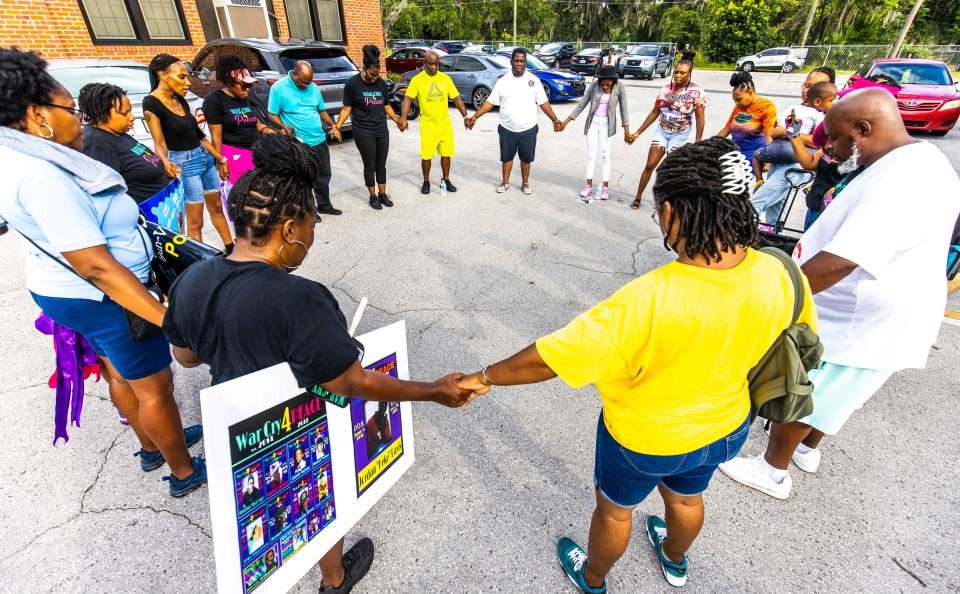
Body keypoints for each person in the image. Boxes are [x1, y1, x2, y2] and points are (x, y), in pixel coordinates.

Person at [456, 137, 817, 591]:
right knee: (687, 500)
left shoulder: (648, 300)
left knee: (613, 510)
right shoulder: (782, 271)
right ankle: (674, 559)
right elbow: (802, 337)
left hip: (645, 439)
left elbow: (551, 359)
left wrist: (482, 376)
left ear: (674, 213)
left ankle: (593, 577)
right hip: (727, 428)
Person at [162, 134, 473, 593]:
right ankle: (334, 578)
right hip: (296, 425)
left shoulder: (190, 279)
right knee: (317, 500)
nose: (310, 239)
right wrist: (434, 390)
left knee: (269, 517)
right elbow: (348, 381)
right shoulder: (301, 299)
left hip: (241, 432)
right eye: (310, 228)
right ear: (289, 230)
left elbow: (185, 358)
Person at [719, 88, 960, 500]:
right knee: (842, 390)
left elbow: (841, 261)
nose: (828, 147)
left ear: (864, 129)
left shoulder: (901, 179)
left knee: (809, 389)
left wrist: (772, 295)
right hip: (884, 309)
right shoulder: (920, 159)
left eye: (834, 137)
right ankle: (807, 451)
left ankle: (772, 469)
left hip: (859, 313)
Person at [0, 47, 205, 497]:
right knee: (155, 386)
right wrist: (165, 318)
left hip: (64, 293)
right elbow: (94, 264)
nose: (77, 119)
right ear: (38, 116)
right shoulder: (43, 175)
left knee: (119, 373)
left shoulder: (14, 156)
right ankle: (184, 471)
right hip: (104, 296)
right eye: (69, 110)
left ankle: (152, 445)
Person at [143, 53, 234, 252]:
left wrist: (219, 158)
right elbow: (159, 143)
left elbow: (199, 135)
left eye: (187, 77)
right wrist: (165, 161)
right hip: (184, 164)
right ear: (163, 75)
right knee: (195, 221)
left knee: (217, 208)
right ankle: (202, 261)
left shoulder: (180, 99)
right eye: (181, 77)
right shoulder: (151, 104)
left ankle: (231, 249)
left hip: (205, 158)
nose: (188, 83)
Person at [466, 48, 563, 194]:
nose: (519, 63)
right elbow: (490, 102)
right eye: (516, 60)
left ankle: (525, 183)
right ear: (511, 61)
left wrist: (554, 119)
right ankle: (505, 183)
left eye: (522, 61)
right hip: (507, 128)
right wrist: (475, 117)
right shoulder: (503, 81)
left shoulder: (534, 80)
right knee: (506, 158)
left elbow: (543, 103)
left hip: (528, 129)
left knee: (526, 159)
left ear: (525, 62)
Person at [625, 52, 706, 209]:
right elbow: (655, 112)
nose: (678, 75)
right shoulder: (665, 89)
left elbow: (700, 118)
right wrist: (637, 132)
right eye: (676, 72)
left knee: (671, 170)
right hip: (662, 132)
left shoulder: (697, 92)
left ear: (690, 73)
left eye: (682, 73)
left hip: (680, 136)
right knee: (650, 164)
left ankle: (666, 202)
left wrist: (698, 141)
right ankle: (638, 197)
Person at [750, 79, 837, 224]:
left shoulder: (823, 117)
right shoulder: (794, 109)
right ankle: (770, 240)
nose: (805, 90)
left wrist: (790, 133)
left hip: (795, 167)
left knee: (754, 205)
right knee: (775, 215)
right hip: (778, 162)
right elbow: (774, 132)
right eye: (806, 85)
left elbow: (818, 141)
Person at [267, 59, 342, 218]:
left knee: (323, 174)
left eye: (309, 82)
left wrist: (332, 125)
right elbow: (272, 114)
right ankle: (309, 211)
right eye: (303, 82)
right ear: (294, 74)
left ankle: (324, 205)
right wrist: (284, 127)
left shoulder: (313, 87)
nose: (306, 86)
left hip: (319, 139)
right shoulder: (278, 88)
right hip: (298, 142)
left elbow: (321, 110)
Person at [333, 45, 401, 211]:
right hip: (363, 131)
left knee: (381, 164)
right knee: (369, 165)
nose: (373, 79)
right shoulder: (353, 84)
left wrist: (397, 120)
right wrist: (337, 127)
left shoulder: (381, 84)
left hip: (381, 130)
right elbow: (346, 109)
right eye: (371, 75)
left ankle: (382, 194)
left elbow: (386, 106)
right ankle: (372, 196)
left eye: (376, 76)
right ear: (364, 69)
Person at [78, 83, 171, 202]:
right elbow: (106, 194)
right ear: (101, 112)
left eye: (130, 112)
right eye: (124, 113)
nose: (132, 117)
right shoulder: (96, 143)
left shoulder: (117, 132)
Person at [399, 50, 469, 195]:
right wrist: (403, 118)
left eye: (436, 64)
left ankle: (446, 179)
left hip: (444, 124)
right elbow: (407, 99)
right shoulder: (417, 80)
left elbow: (457, 98)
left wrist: (465, 117)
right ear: (424, 63)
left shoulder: (445, 79)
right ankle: (426, 181)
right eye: (430, 64)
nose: (433, 67)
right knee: (426, 156)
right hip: (428, 125)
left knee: (446, 154)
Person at [557, 64, 631, 203]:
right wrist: (565, 123)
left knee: (605, 156)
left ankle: (605, 188)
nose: (604, 86)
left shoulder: (619, 87)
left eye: (607, 83)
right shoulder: (595, 85)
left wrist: (627, 131)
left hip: (607, 126)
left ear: (613, 80)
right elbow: (582, 104)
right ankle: (588, 186)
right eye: (602, 83)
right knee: (591, 155)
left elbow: (624, 109)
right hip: (593, 124)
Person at [204, 55, 276, 184]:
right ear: (228, 81)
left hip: (255, 152)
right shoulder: (215, 100)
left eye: (249, 85)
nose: (247, 89)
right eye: (243, 85)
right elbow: (216, 137)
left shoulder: (245, 99)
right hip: (234, 154)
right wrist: (220, 163)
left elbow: (254, 123)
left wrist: (270, 131)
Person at [715, 71, 776, 176]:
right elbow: (727, 129)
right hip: (734, 152)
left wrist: (767, 159)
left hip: (752, 156)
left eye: (739, 100)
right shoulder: (738, 108)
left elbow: (769, 134)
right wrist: (709, 144)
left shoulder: (766, 106)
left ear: (751, 92)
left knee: (740, 186)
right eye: (735, 100)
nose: (736, 104)